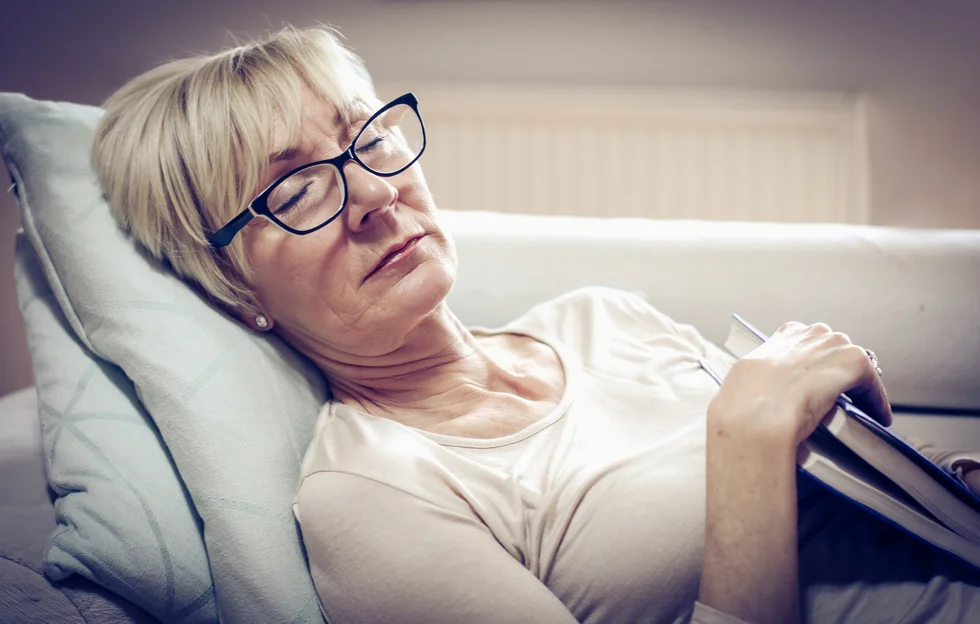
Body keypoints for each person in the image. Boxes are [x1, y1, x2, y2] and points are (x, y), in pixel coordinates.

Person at [91, 25, 980, 624]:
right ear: (229, 285)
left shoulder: (600, 317)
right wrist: (749, 444)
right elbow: (753, 444)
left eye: (367, 138)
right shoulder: (371, 498)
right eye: (294, 191)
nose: (372, 194)